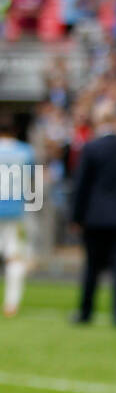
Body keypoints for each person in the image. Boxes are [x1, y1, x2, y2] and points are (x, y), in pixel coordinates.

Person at [71, 100, 116, 325]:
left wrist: (76, 216)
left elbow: (81, 185)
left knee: (92, 266)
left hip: (95, 217)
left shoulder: (91, 148)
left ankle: (85, 312)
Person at [0, 125, 37, 317]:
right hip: (15, 209)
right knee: (14, 258)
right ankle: (11, 304)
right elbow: (33, 182)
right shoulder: (25, 151)